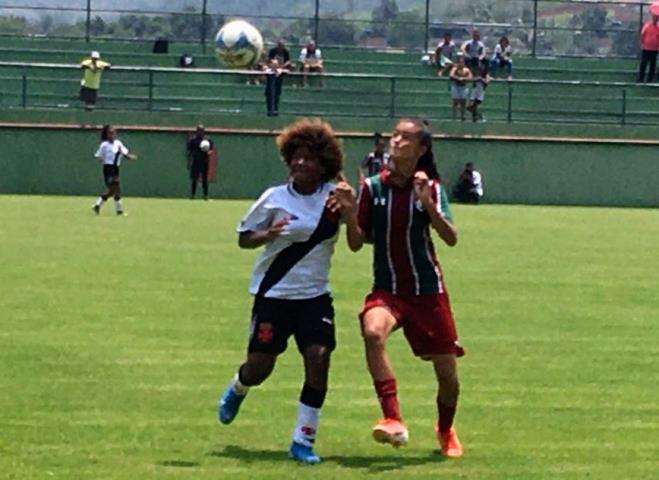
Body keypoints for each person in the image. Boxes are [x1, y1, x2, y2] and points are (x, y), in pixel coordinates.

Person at [330, 118, 465, 458]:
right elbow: (357, 243)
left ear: (421, 149)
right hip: (388, 290)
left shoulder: (431, 188)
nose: (397, 141)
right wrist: (348, 213)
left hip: (427, 292)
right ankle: (393, 418)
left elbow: (450, 238)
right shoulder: (374, 188)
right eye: (395, 135)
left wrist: (427, 203)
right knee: (373, 332)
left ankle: (445, 429)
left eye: (406, 138)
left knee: (448, 377)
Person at [217, 118, 345, 465]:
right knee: (260, 367)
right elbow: (244, 238)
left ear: (324, 165)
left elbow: (359, 239)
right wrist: (270, 234)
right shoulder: (273, 198)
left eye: (310, 158)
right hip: (274, 295)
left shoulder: (335, 198)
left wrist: (350, 211)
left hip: (314, 296)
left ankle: (303, 440)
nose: (301, 163)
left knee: (318, 359)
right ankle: (238, 387)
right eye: (296, 157)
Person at [91, 125, 137, 216]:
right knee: (115, 185)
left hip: (116, 168)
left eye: (113, 133)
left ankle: (98, 205)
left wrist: (130, 156)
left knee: (114, 191)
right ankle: (118, 210)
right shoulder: (104, 145)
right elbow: (99, 155)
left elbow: (125, 153)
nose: (112, 135)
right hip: (108, 168)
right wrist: (102, 159)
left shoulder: (118, 143)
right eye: (110, 133)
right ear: (107, 135)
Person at [187, 124, 214, 200]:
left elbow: (211, 149)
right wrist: (192, 156)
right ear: (196, 131)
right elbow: (189, 149)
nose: (200, 132)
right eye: (199, 130)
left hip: (204, 162)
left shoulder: (207, 140)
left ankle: (205, 195)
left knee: (205, 179)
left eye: (202, 130)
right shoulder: (193, 140)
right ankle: (192, 195)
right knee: (194, 179)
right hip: (196, 161)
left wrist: (209, 152)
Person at [638, 7, 659, 83]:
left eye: (657, 18)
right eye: (654, 17)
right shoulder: (647, 25)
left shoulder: (658, 27)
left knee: (652, 65)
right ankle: (641, 78)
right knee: (643, 63)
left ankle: (650, 79)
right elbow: (642, 35)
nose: (655, 19)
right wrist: (642, 43)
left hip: (655, 48)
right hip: (646, 48)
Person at [449, 54, 473, 121]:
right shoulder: (455, 69)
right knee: (455, 102)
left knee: (463, 102)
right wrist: (458, 78)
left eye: (462, 62)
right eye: (460, 62)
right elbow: (451, 75)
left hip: (463, 87)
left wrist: (464, 78)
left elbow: (471, 77)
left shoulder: (466, 70)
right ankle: (454, 117)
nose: (461, 64)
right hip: (456, 86)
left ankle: (462, 116)